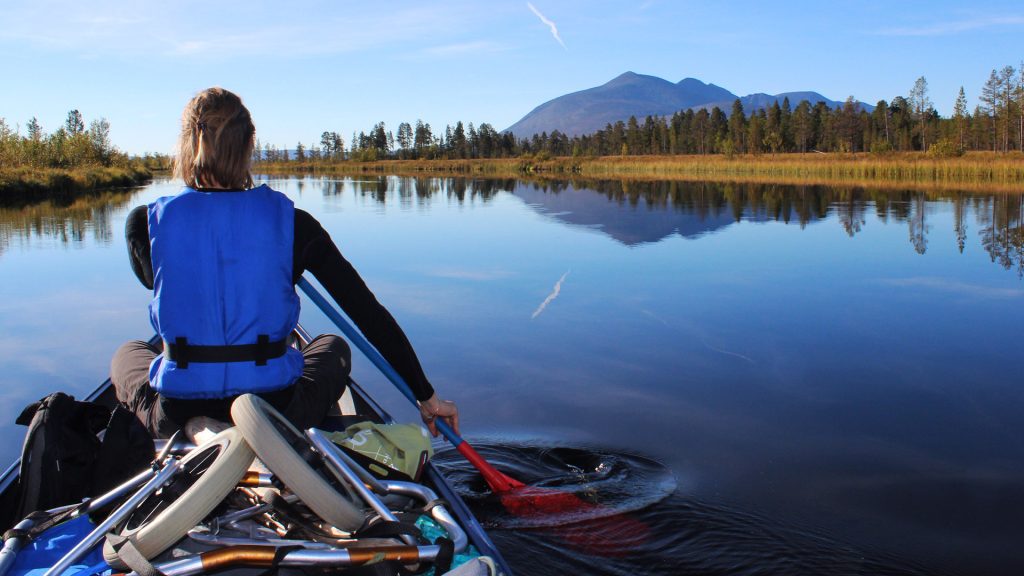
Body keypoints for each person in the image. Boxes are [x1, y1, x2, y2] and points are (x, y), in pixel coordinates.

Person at [110, 87, 458, 439]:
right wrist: (426, 396)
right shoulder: (295, 225)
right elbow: (367, 313)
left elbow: (152, 279)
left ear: (186, 146)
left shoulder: (145, 224)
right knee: (333, 346)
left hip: (179, 406)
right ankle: (254, 431)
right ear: (248, 147)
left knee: (127, 354)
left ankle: (198, 428)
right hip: (276, 407)